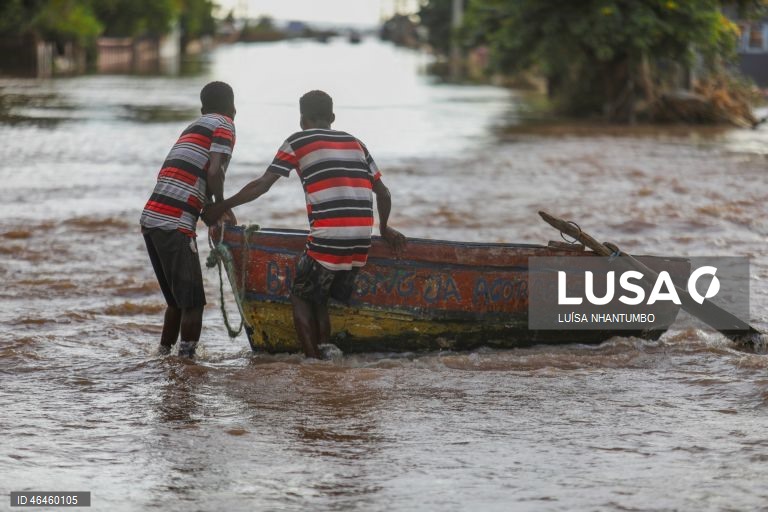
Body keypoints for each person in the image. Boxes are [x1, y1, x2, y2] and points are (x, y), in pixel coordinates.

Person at [203, 90, 406, 358]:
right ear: (332, 117)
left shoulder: (297, 141)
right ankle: (325, 352)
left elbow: (262, 185)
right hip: (361, 241)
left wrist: (222, 205)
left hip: (329, 239)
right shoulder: (356, 143)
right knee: (318, 296)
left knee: (300, 294)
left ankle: (312, 361)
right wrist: (384, 227)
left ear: (302, 120)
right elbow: (384, 193)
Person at [140, 81, 237, 358]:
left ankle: (163, 356)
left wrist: (209, 207)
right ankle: (187, 363)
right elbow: (215, 171)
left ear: (203, 109)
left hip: (152, 219)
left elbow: (190, 175)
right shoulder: (225, 125)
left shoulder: (194, 127)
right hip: (175, 223)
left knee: (176, 302)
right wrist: (220, 206)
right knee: (193, 304)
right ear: (233, 108)